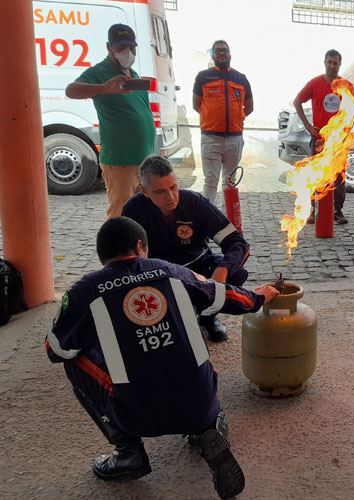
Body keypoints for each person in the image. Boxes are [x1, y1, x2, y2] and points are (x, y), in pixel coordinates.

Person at [44, 216, 279, 499]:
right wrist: (259, 297)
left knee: (75, 359)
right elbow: (228, 297)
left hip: (135, 416)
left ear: (101, 256)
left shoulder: (85, 290)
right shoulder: (173, 272)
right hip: (198, 404)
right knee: (191, 342)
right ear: (141, 246)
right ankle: (209, 426)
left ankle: (128, 452)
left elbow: (57, 350)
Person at [122, 155, 250, 343]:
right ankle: (164, 320)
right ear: (144, 191)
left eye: (173, 187)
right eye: (160, 192)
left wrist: (223, 269)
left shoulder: (195, 202)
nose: (170, 197)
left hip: (197, 266)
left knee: (236, 273)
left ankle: (208, 316)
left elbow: (237, 242)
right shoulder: (134, 209)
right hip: (157, 273)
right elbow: (125, 256)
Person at [65, 24, 156, 218]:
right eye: (121, 47)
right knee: (121, 214)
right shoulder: (100, 72)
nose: (128, 53)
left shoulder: (133, 75)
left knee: (144, 212)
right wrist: (104, 88)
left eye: (132, 48)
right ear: (109, 47)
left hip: (143, 157)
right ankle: (116, 248)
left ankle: (139, 247)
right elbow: (71, 90)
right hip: (120, 160)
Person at [294, 49, 354, 225]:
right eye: (329, 62)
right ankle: (314, 209)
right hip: (319, 140)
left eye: (336, 63)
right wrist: (308, 126)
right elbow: (297, 101)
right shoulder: (314, 83)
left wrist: (348, 127)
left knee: (338, 175)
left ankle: (337, 210)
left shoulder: (345, 85)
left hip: (338, 140)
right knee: (315, 173)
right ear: (324, 62)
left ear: (340, 65)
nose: (332, 66)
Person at [192, 40, 253, 205]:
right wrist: (213, 117)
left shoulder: (241, 78)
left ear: (230, 54)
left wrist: (236, 118)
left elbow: (249, 107)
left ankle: (230, 220)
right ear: (212, 54)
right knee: (211, 180)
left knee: (230, 181)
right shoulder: (203, 77)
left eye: (224, 50)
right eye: (217, 51)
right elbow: (197, 105)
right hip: (211, 138)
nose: (221, 53)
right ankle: (208, 219)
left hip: (234, 139)